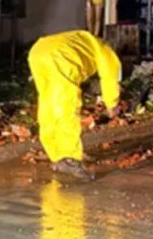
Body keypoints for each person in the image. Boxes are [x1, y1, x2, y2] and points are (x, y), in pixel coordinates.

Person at [28, 30, 122, 181]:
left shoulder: (85, 41)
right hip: (62, 57)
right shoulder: (106, 52)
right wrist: (112, 104)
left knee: (48, 102)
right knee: (67, 106)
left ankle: (56, 154)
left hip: (38, 52)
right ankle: (70, 159)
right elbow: (109, 77)